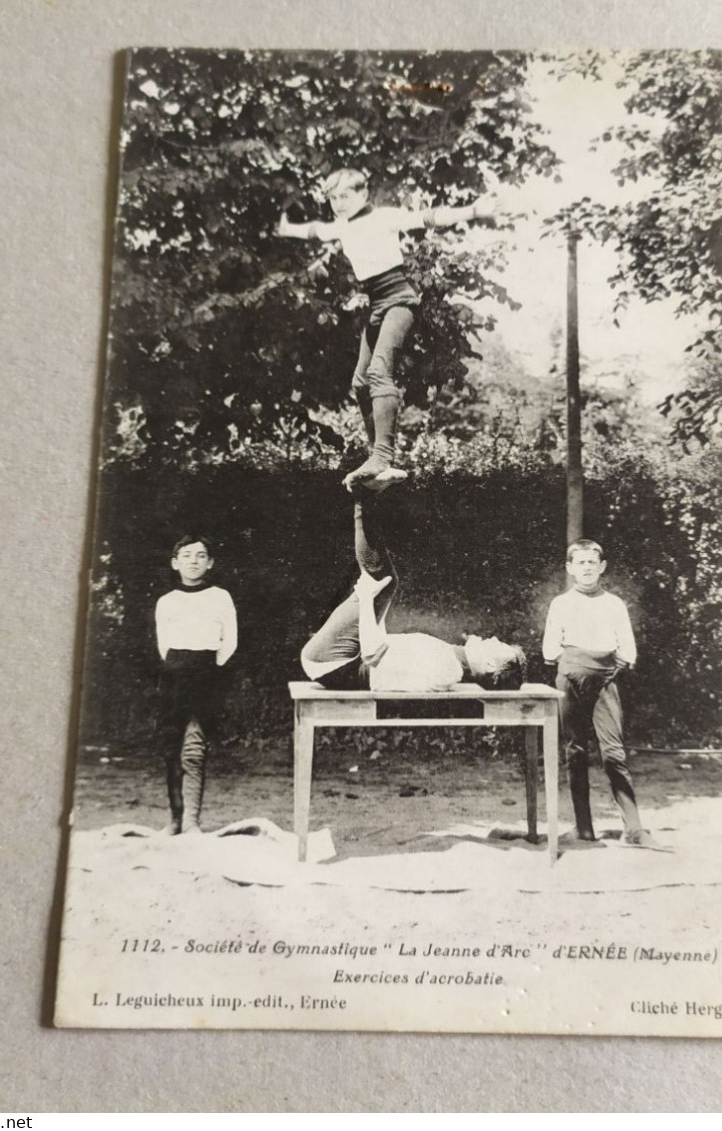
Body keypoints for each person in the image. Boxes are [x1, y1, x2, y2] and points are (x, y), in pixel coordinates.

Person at [277, 168, 497, 492]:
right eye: (333, 198)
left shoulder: (382, 217)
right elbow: (315, 230)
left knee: (380, 372)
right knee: (361, 381)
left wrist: (475, 210)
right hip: (377, 305)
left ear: (363, 194)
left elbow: (430, 216)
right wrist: (286, 228)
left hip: (400, 302)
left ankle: (383, 455)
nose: (338, 203)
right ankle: (376, 460)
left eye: (345, 196)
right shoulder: (341, 226)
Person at [300, 492, 525, 693]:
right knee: (385, 582)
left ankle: (364, 494)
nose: (494, 638)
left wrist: (368, 599)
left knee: (383, 580)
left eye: (498, 645)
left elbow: (372, 655)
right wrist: (370, 600)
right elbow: (382, 648)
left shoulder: (446, 669)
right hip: (338, 661)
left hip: (333, 662)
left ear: (489, 665)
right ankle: (365, 495)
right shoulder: (450, 662)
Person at [542, 539, 660, 849]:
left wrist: (607, 666)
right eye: (580, 563)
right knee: (575, 750)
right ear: (570, 568)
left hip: (606, 682)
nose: (587, 568)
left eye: (592, 563)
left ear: (602, 567)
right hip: (570, 682)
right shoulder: (561, 604)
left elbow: (628, 649)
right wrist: (575, 664)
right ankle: (584, 828)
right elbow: (550, 649)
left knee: (613, 752)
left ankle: (633, 828)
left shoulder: (614, 604)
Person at [154, 535, 238, 834]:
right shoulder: (166, 602)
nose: (193, 561)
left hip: (206, 676)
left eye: (201, 555)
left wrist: (206, 669)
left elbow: (229, 643)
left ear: (210, 562)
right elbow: (164, 645)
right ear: (175, 562)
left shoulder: (221, 597)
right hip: (174, 677)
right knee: (172, 748)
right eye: (187, 555)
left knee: (194, 747)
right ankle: (175, 819)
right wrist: (179, 667)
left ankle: (192, 820)